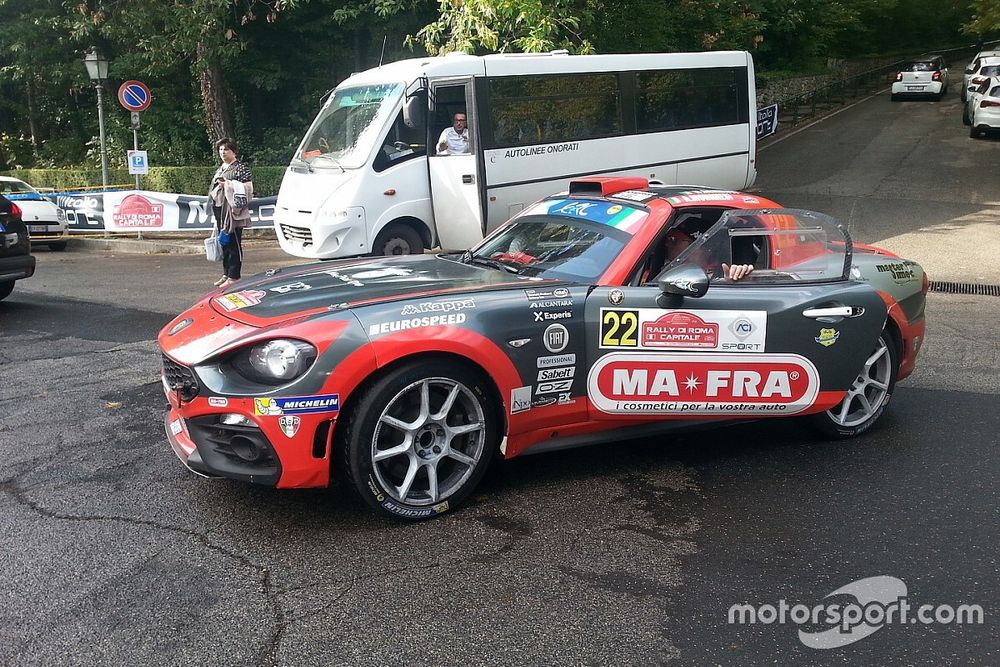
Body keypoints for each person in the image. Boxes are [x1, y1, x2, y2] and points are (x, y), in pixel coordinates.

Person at [209, 137, 254, 287]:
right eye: (221, 150)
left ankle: (234, 276)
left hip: (233, 211)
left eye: (226, 149)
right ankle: (226, 273)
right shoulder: (221, 168)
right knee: (224, 242)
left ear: (233, 151)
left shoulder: (240, 168)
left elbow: (248, 189)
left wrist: (227, 185)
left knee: (234, 242)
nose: (223, 152)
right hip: (219, 208)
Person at [659, 227, 755, 281]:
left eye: (673, 240)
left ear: (696, 246)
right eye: (668, 239)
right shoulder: (663, 268)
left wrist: (737, 277)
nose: (667, 244)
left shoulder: (721, 275)